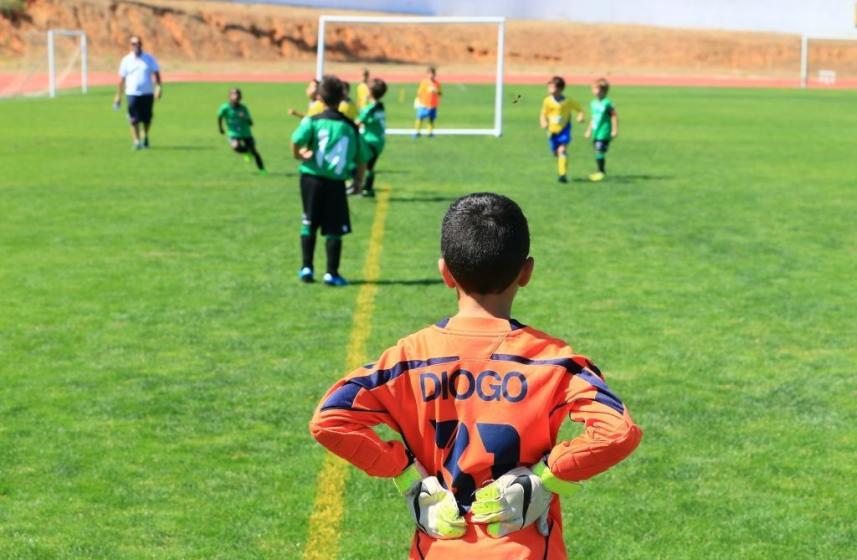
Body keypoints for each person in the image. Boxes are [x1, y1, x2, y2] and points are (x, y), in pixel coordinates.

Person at [310, 192, 642, 559]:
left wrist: (407, 475)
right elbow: (618, 431)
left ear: (445, 273)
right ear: (526, 272)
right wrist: (544, 478)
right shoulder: (555, 362)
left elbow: (330, 419)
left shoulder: (408, 359)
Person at [291, 75, 371, 286]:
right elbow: (362, 158)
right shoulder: (350, 127)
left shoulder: (313, 121)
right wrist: (358, 183)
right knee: (334, 228)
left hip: (311, 179)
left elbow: (296, 140)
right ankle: (331, 273)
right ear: (343, 97)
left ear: (320, 97)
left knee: (309, 221)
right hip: (335, 183)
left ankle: (306, 267)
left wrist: (299, 154)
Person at [114, 36, 162, 150]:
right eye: (133, 43)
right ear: (130, 45)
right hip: (132, 93)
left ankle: (145, 135)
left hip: (147, 93)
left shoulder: (149, 59)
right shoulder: (126, 60)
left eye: (138, 43)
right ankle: (136, 141)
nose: (136, 46)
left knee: (147, 118)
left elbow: (156, 75)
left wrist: (158, 88)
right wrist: (118, 96)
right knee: (133, 119)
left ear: (141, 44)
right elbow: (121, 79)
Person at [539, 76, 584, 184]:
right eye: (548, 86)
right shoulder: (547, 101)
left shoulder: (568, 101)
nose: (549, 88)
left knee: (562, 150)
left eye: (551, 86)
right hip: (551, 131)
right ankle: (561, 162)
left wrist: (580, 116)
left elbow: (579, 109)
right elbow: (543, 114)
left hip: (564, 130)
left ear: (559, 88)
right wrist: (543, 122)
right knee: (556, 152)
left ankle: (562, 174)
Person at [217, 88, 266, 174]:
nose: (236, 97)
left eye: (238, 95)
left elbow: (251, 123)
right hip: (233, 133)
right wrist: (220, 128)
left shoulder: (243, 108)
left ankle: (262, 170)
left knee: (254, 151)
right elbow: (219, 117)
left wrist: (244, 117)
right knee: (236, 147)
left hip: (246, 133)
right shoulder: (225, 107)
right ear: (229, 96)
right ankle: (246, 153)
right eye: (234, 95)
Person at [354, 78, 387, 198]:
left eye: (367, 90)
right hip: (379, 140)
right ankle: (367, 189)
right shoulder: (380, 106)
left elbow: (356, 123)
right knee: (369, 165)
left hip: (370, 140)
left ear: (371, 92)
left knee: (361, 164)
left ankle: (360, 187)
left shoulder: (369, 109)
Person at [584, 77, 619, 182]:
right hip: (596, 131)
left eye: (597, 89)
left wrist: (614, 129)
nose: (594, 91)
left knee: (599, 150)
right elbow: (594, 117)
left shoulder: (607, 103)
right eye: (593, 89)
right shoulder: (593, 103)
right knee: (597, 151)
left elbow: (613, 116)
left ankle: (601, 172)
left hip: (604, 131)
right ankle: (600, 170)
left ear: (603, 90)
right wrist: (589, 130)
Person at [414, 66, 442, 137]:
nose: (431, 75)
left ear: (434, 75)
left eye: (432, 74)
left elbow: (440, 93)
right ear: (427, 74)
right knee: (420, 118)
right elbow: (419, 93)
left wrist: (436, 90)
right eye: (429, 74)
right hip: (424, 104)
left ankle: (430, 132)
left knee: (431, 119)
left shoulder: (437, 84)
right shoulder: (424, 83)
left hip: (433, 105)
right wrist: (418, 101)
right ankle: (417, 132)